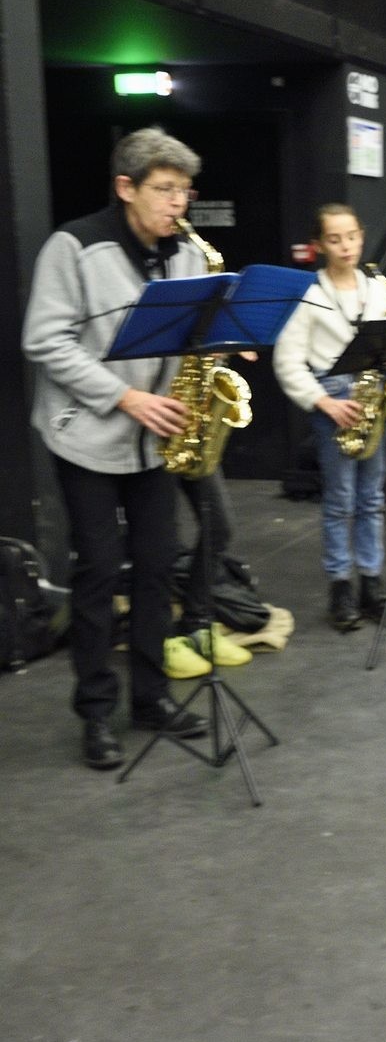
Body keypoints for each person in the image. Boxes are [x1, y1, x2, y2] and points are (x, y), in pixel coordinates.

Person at [22, 126, 212, 770]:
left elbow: (189, 330)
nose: (177, 204)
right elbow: (44, 341)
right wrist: (123, 397)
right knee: (100, 572)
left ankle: (152, 698)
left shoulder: (187, 252)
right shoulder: (73, 246)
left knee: (160, 564)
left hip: (156, 441)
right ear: (125, 187)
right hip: (89, 436)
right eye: (164, 190)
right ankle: (97, 713)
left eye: (185, 191)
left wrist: (220, 341)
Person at [273, 203, 386, 633]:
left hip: (370, 400)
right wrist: (323, 403)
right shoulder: (310, 296)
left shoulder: (379, 290)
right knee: (339, 502)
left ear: (361, 236)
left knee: (371, 500)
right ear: (319, 245)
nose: (345, 246)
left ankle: (371, 583)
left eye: (351, 236)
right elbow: (288, 362)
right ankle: (340, 589)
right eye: (334, 239)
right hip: (335, 401)